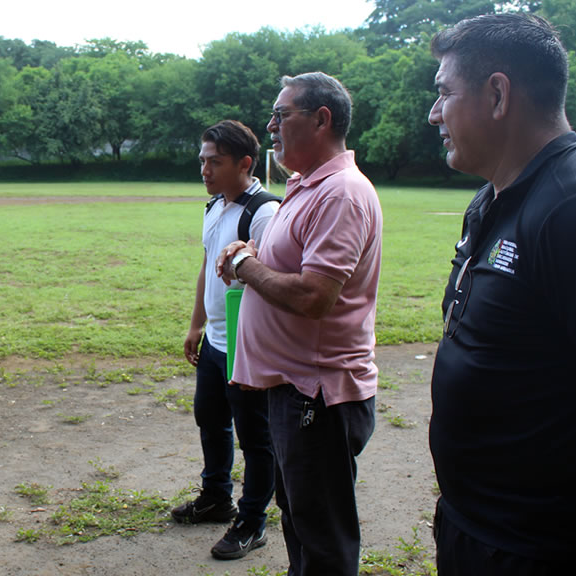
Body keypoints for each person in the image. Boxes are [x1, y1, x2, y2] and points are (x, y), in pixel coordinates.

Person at [426, 14, 576, 575]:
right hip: (474, 528)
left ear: (498, 94)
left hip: (546, 550)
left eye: (444, 93)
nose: (434, 114)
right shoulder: (493, 198)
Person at [217, 72, 382, 576]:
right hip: (294, 389)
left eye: (281, 114)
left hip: (318, 395)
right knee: (301, 519)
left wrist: (246, 266)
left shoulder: (340, 194)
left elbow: (314, 296)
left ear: (322, 119)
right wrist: (254, 252)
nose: (270, 126)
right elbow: (293, 268)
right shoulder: (308, 186)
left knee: (323, 535)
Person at [173, 120, 278, 560]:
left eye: (215, 162)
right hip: (215, 342)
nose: (205, 169)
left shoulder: (265, 212)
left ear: (245, 163)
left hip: (246, 345)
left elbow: (273, 284)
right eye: (203, 160)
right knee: (210, 420)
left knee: (256, 437)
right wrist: (195, 324)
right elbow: (205, 269)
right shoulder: (215, 207)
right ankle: (217, 497)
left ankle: (252, 522)